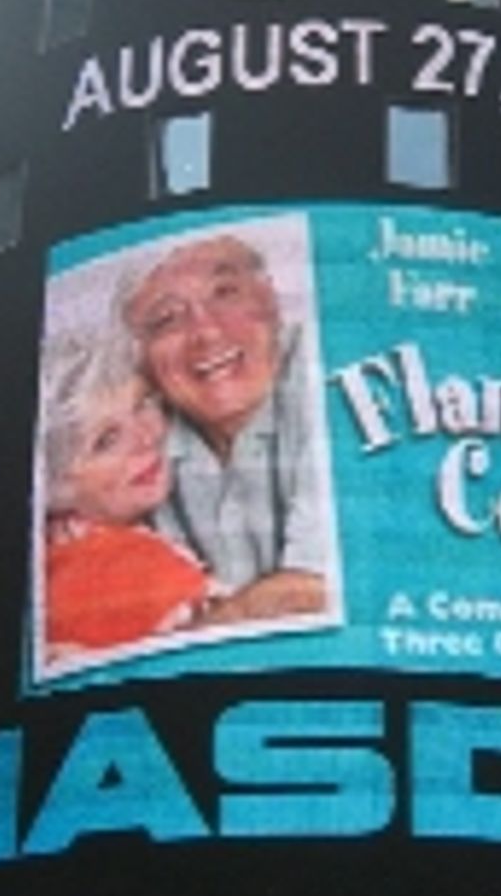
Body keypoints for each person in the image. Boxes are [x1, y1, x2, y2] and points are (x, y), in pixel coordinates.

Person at [121, 232, 330, 625]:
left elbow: (317, 591)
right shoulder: (136, 425)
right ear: (142, 356)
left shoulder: (330, 370)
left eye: (225, 293)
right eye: (167, 319)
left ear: (270, 299)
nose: (207, 332)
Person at [38, 329, 212, 663]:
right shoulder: (140, 569)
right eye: (106, 440)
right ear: (54, 480)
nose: (146, 436)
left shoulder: (58, 553)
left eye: (142, 404)